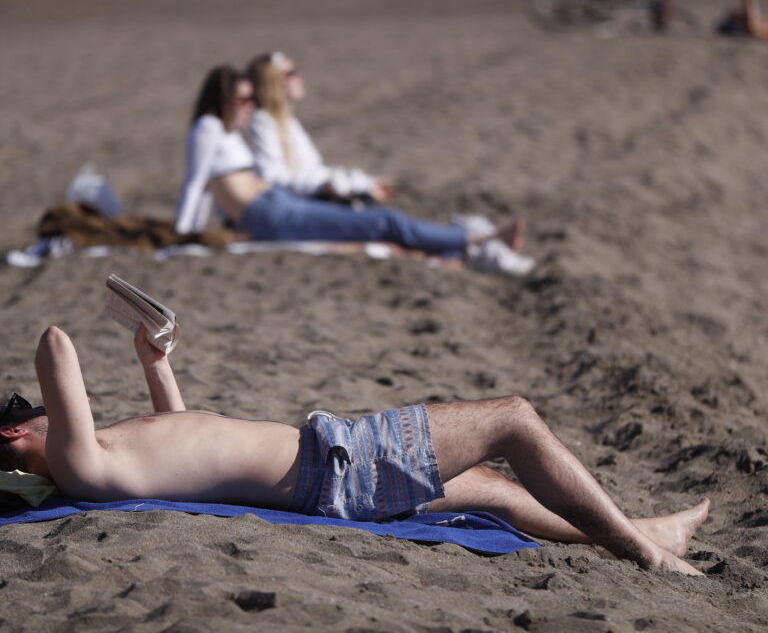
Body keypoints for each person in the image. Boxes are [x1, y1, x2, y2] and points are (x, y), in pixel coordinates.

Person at [0, 325, 709, 575]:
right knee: (515, 419)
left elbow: (183, 441)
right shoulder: (82, 464)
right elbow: (55, 344)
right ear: (14, 432)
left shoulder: (101, 464)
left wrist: (152, 359)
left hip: (331, 471)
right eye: (31, 413)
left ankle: (643, 532)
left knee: (490, 485)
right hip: (342, 465)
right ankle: (644, 553)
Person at [174, 65, 533, 276]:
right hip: (270, 212)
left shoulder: (225, 131)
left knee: (369, 222)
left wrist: (227, 225)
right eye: (242, 100)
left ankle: (459, 253)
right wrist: (183, 238)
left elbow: (216, 190)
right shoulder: (206, 128)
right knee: (383, 223)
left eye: (252, 99)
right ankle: (479, 242)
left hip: (274, 203)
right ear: (219, 99)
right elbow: (196, 186)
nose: (250, 106)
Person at [244, 51, 393, 204]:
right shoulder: (261, 122)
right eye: (291, 73)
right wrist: (325, 187)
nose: (299, 76)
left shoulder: (287, 122)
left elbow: (314, 172)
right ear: (272, 83)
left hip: (309, 199)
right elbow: (274, 178)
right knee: (389, 221)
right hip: (299, 206)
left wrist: (364, 183)